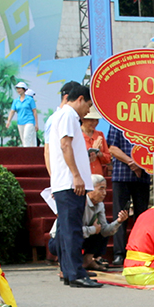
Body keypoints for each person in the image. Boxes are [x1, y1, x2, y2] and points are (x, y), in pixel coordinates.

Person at [49, 83, 101, 288]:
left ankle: (71, 271)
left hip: (65, 181)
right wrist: (76, 176)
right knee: (72, 230)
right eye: (88, 105)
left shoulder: (61, 115)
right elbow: (65, 145)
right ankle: (76, 272)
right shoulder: (69, 115)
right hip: (70, 182)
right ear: (79, 99)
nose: (88, 111)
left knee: (67, 229)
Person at [47, 174, 126, 273]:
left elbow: (105, 231)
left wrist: (118, 222)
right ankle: (68, 263)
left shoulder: (99, 205)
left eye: (105, 189)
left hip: (83, 235)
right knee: (94, 230)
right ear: (90, 190)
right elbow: (72, 230)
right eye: (101, 189)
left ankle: (88, 260)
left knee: (101, 228)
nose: (104, 193)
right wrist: (93, 229)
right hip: (59, 240)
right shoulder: (79, 203)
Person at [106, 123, 150, 266]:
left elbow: (152, 147)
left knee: (141, 215)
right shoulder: (117, 122)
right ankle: (119, 253)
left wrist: (140, 164)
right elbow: (112, 147)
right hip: (121, 175)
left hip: (142, 175)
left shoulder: (147, 121)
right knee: (120, 215)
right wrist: (132, 163)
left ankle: (141, 251)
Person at [6, 82, 38, 147]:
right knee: (23, 140)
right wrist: (8, 121)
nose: (18, 90)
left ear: (24, 89)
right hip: (20, 122)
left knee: (26, 138)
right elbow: (12, 111)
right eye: (17, 89)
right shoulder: (16, 101)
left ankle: (27, 155)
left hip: (29, 121)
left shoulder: (30, 100)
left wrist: (36, 124)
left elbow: (34, 111)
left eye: (19, 88)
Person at [81, 107, 111, 177]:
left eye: (97, 120)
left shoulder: (100, 134)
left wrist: (99, 153)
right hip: (83, 175)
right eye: (91, 120)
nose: (95, 123)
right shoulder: (77, 135)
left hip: (98, 175)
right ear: (83, 120)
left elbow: (108, 158)